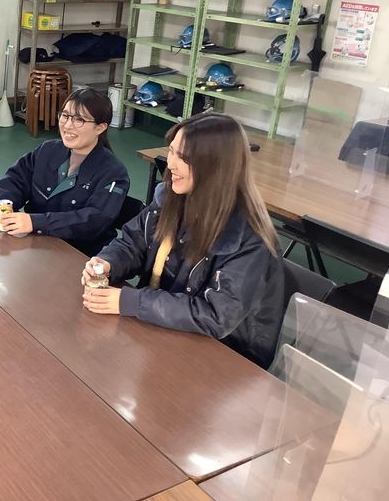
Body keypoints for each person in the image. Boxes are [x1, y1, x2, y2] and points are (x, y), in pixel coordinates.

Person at [81, 113, 284, 368]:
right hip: (164, 327)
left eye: (184, 157)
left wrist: (132, 301)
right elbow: (134, 243)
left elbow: (216, 315)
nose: (171, 164)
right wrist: (108, 263)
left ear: (215, 166)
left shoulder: (249, 237)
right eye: (172, 151)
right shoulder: (172, 198)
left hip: (226, 358)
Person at [0, 88, 130, 256]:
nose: (68, 125)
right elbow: (14, 179)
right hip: (36, 247)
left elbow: (94, 220)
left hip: (82, 256)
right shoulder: (47, 150)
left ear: (100, 128)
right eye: (65, 115)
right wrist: (5, 206)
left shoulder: (113, 173)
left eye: (79, 119)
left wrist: (35, 222)